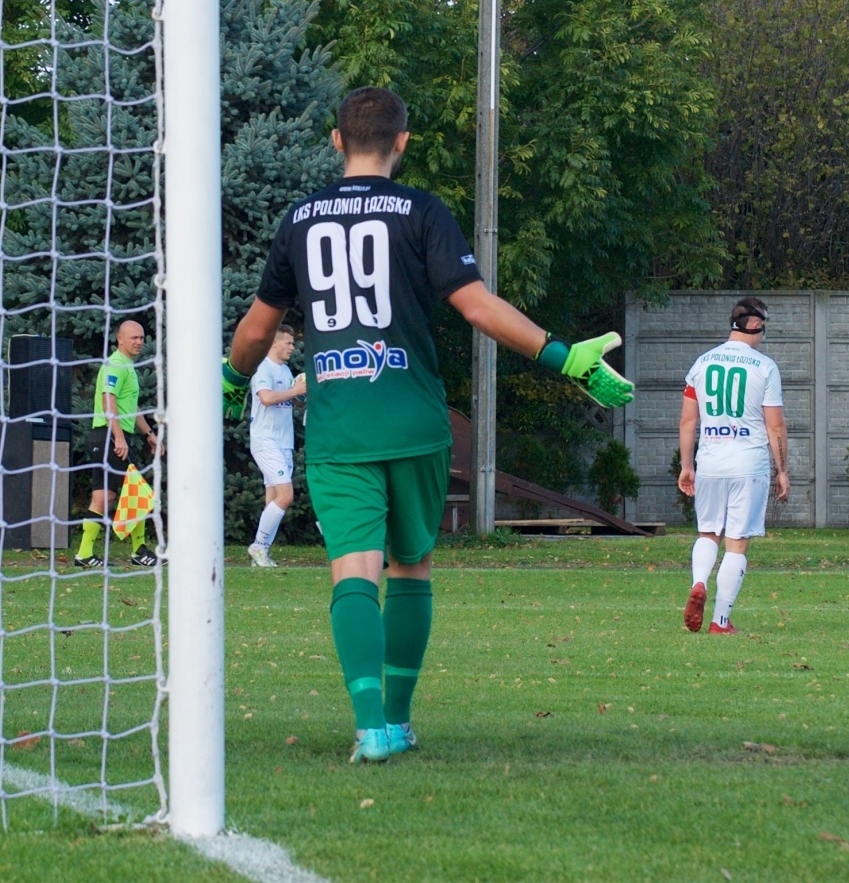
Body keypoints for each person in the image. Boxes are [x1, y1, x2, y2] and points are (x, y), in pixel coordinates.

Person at [222, 87, 634, 763]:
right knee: (411, 567)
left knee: (352, 570)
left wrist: (230, 379)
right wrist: (563, 355)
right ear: (402, 143)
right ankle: (399, 718)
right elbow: (476, 306)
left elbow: (257, 329)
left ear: (335, 141)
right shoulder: (421, 211)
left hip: (341, 427)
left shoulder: (301, 219)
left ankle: (369, 729)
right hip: (413, 419)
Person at [676, 296, 789, 634]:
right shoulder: (764, 367)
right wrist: (782, 470)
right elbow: (775, 425)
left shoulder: (702, 363)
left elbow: (687, 421)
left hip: (709, 461)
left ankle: (699, 582)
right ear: (756, 326)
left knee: (708, 533)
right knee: (737, 542)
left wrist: (686, 466)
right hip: (748, 464)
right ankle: (720, 620)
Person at [74, 319, 161, 568]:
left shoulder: (128, 367)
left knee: (107, 496)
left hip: (110, 436)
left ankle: (84, 554)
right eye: (133, 337)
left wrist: (148, 435)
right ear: (119, 339)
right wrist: (119, 437)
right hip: (108, 436)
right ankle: (138, 551)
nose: (139, 342)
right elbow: (107, 401)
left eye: (142, 338)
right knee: (138, 492)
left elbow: (131, 409)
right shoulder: (115, 365)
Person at [247, 324, 306, 568]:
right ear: (274, 343)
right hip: (266, 440)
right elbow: (266, 398)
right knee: (286, 495)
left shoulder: (286, 370)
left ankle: (262, 553)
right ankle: (258, 547)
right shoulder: (264, 367)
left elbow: (292, 401)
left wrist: (303, 395)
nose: (292, 347)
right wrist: (295, 390)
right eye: (288, 343)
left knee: (273, 497)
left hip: (283, 441)